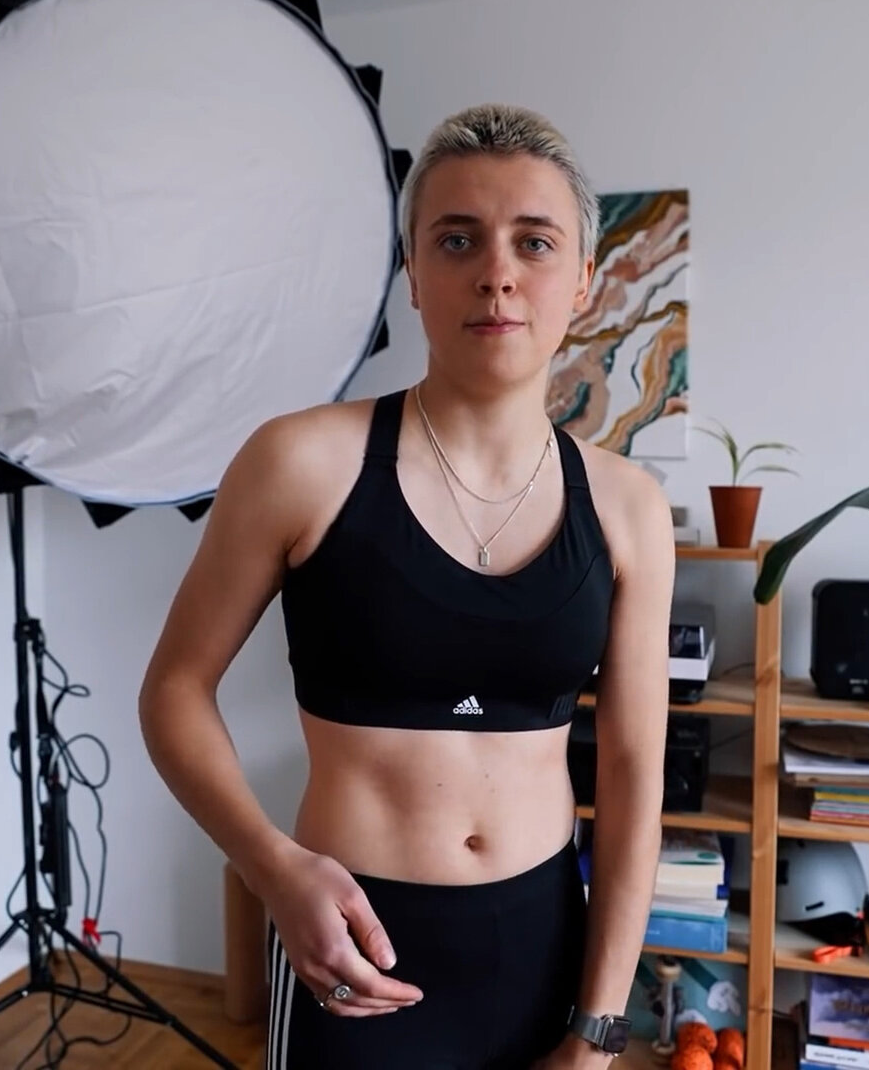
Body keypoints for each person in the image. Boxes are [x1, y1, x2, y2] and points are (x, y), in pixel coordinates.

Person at [139, 103, 675, 1069]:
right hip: (352, 946)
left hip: (543, 947)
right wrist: (272, 870)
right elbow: (174, 690)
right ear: (414, 275)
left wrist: (599, 1027)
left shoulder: (628, 506)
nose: (497, 272)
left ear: (584, 282)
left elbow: (635, 775)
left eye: (535, 242)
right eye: (457, 239)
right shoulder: (301, 462)